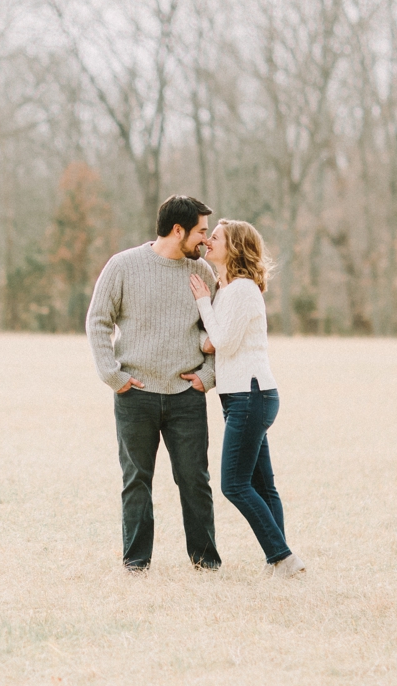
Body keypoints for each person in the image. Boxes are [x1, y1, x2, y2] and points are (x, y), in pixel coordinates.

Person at [86, 195, 220, 573]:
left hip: (186, 397)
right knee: (136, 482)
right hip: (136, 395)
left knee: (195, 480)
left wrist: (208, 375)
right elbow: (98, 319)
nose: (206, 242)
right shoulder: (124, 266)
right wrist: (113, 375)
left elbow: (218, 329)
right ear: (178, 230)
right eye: (200, 232)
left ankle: (206, 562)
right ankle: (136, 563)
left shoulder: (204, 274)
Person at [188, 219, 305, 579]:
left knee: (234, 484)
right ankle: (280, 560)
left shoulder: (240, 290)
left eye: (216, 237)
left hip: (250, 396)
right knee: (262, 485)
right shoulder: (231, 289)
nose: (208, 240)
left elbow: (222, 342)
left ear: (234, 247)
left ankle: (283, 558)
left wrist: (203, 303)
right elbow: (218, 340)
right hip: (244, 396)